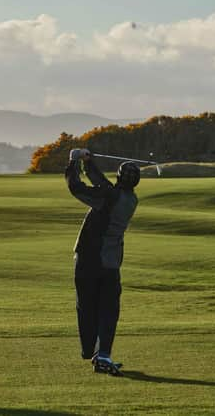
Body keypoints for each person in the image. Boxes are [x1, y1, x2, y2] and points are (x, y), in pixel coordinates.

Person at [65, 148, 140, 376]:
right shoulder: (130, 198)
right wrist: (89, 163)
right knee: (108, 310)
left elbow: (76, 188)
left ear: (118, 177)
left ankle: (92, 351)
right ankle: (103, 354)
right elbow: (104, 185)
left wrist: (74, 163)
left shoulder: (108, 196)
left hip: (89, 259)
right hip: (111, 263)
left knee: (87, 307)